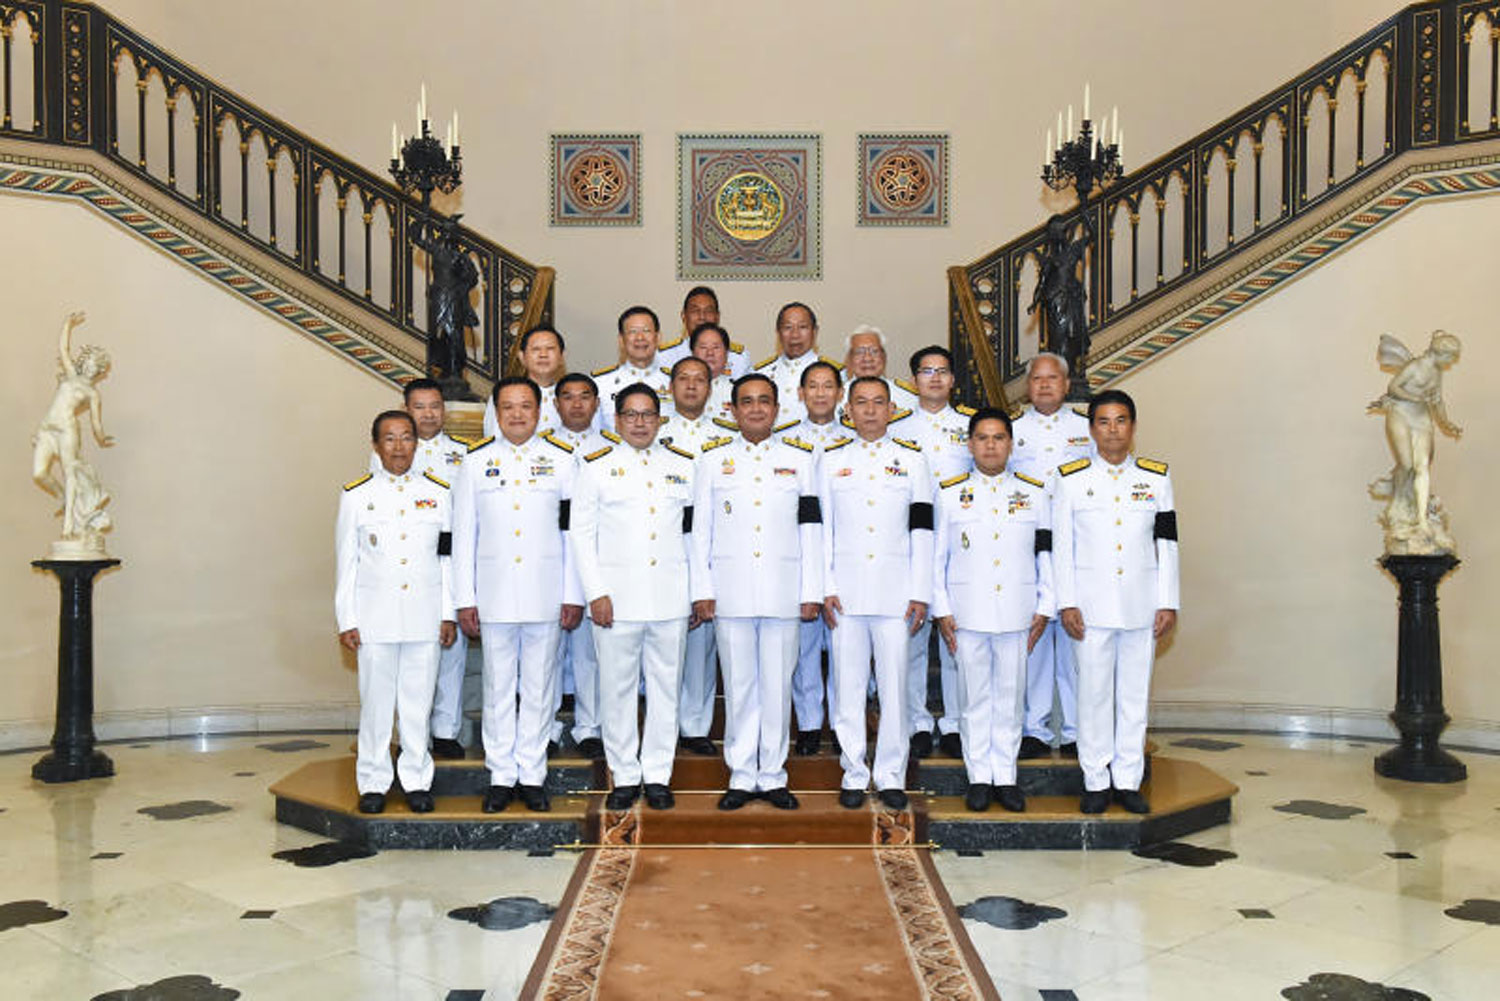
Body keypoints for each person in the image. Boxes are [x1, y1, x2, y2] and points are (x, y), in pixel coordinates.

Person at [691, 374, 823, 810]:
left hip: (785, 592)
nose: (756, 408)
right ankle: (742, 775)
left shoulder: (801, 461)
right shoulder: (712, 462)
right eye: (746, 401)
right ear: (731, 409)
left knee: (777, 687)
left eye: (764, 401)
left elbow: (812, 530)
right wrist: (702, 589)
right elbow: (701, 532)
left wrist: (811, 590)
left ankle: (774, 775)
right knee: (742, 685)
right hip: (730, 593)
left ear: (778, 408)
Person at [453, 378, 581, 813]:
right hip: (494, 597)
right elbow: (463, 537)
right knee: (498, 687)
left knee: (540, 687)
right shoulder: (475, 463)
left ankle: (532, 774)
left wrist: (573, 593)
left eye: (526, 406)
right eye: (508, 407)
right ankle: (501, 775)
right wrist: (464, 598)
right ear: (496, 412)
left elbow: (572, 535)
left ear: (541, 411)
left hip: (546, 595)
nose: (517, 414)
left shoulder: (562, 462)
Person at [569, 383, 697, 810]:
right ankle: (624, 774)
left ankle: (658, 774)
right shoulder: (595, 467)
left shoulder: (684, 466)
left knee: (666, 690)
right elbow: (582, 537)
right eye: (631, 414)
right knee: (617, 690)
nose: (640, 422)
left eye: (648, 414)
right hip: (615, 602)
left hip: (670, 599)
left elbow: (694, 537)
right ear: (618, 419)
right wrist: (596, 593)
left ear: (660, 419)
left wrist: (696, 593)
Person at [1053, 389, 1179, 814]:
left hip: (1141, 606)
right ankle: (1095, 779)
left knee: (1132, 696)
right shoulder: (1070, 479)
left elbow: (1168, 545)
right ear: (1091, 430)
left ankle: (1128, 779)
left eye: (1121, 421)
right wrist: (1066, 602)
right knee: (1092, 696)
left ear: (1133, 427)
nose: (1112, 430)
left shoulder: (1156, 478)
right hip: (1090, 609)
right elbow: (1062, 548)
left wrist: (1168, 601)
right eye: (1104, 422)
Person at [819, 377, 933, 810]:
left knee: (894, 689)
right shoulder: (828, 460)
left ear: (892, 409)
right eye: (861, 403)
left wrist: (920, 590)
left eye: (878, 403)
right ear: (847, 410)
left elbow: (923, 529)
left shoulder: (912, 461)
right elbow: (821, 529)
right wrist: (825, 586)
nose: (869, 410)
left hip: (896, 594)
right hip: (845, 595)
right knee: (846, 687)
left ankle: (890, 775)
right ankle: (853, 771)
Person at [335, 410, 456, 815]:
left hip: (424, 616)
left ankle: (417, 779)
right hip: (374, 618)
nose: (399, 446)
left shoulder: (438, 493)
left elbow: (446, 560)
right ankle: (372, 782)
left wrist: (448, 613)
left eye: (406, 438)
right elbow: (346, 563)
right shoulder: (356, 495)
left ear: (416, 444)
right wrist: (346, 619)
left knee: (418, 705)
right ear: (375, 445)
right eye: (390, 439)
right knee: (376, 705)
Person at [932, 408, 1053, 813]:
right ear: (969, 444)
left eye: (999, 438)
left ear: (1010, 444)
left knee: (1011, 696)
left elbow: (1046, 554)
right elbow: (937, 558)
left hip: (1018, 610)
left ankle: (1006, 775)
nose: (990, 445)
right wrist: (941, 607)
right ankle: (979, 776)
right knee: (974, 697)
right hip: (967, 612)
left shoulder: (1034, 492)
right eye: (982, 438)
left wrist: (1046, 603)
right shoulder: (949, 493)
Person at [370, 378, 477, 762]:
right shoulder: (390, 453)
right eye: (420, 406)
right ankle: (411, 736)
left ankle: (445, 730)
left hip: (448, 563)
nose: (429, 413)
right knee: (404, 661)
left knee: (451, 652)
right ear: (406, 408)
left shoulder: (466, 453)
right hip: (404, 570)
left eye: (435, 406)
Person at [1010, 352, 1093, 760]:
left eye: (1052, 378)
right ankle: (1036, 729)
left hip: (1077, 544)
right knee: (1038, 640)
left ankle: (1078, 730)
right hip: (1027, 545)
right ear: (1028, 386)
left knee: (1076, 643)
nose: (1044, 385)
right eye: (1037, 379)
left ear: (1066, 384)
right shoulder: (1011, 430)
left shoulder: (1087, 428)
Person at [900, 346, 976, 761]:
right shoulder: (896, 427)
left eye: (942, 371)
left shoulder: (969, 426)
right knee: (911, 639)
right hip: (908, 541)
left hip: (959, 541)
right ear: (913, 379)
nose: (934, 378)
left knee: (953, 637)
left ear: (952, 380)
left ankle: (954, 724)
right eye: (926, 371)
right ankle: (914, 721)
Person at [657, 356, 727, 756]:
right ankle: (663, 722)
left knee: (701, 646)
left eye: (700, 380)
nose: (691, 386)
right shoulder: (656, 433)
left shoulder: (725, 436)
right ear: (670, 387)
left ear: (711, 387)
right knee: (666, 641)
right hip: (667, 545)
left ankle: (696, 725)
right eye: (683, 379)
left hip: (713, 545)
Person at [543, 373, 609, 759]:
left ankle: (590, 726)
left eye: (585, 397)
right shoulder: (543, 450)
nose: (577, 404)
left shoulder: (612, 448)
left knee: (590, 652)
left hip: (594, 561)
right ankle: (547, 728)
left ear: (597, 404)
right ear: (556, 405)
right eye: (568, 397)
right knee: (548, 653)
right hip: (551, 561)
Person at [786, 360, 848, 755]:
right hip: (800, 554)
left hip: (847, 558)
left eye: (829, 386)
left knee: (845, 653)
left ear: (841, 394)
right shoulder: (784, 442)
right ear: (800, 394)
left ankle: (844, 726)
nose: (821, 393)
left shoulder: (858, 441)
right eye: (813, 386)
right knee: (805, 648)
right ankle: (809, 723)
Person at [32, 311, 115, 551]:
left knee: (70, 475)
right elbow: (64, 351)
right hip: (47, 429)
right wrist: (68, 325)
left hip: (68, 431)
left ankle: (68, 526)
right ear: (85, 361)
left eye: (97, 367)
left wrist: (101, 437)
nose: (92, 368)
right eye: (90, 363)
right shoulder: (70, 375)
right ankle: (61, 497)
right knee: (39, 473)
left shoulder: (92, 393)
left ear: (99, 372)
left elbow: (96, 424)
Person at [484, 325, 594, 438]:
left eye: (550, 349)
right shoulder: (504, 395)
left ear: (561, 356)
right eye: (536, 349)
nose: (543, 355)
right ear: (522, 357)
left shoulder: (573, 397)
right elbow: (495, 441)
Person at [754, 302, 842, 425]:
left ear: (815, 331)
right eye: (788, 327)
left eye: (803, 327)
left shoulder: (837, 373)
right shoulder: (760, 373)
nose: (795, 335)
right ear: (778, 332)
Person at [594, 306, 672, 430]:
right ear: (621, 340)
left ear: (658, 337)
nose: (640, 338)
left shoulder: (675, 382)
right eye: (632, 331)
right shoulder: (600, 384)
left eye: (646, 331)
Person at [659, 286, 750, 378]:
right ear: (683, 316)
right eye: (695, 311)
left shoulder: (738, 357)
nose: (702, 317)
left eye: (708, 311)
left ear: (717, 317)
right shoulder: (664, 356)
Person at [839, 325, 917, 418]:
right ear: (849, 359)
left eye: (874, 351)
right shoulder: (835, 398)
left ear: (884, 357)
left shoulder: (907, 396)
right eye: (859, 352)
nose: (867, 358)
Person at [691, 322, 738, 423]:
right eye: (703, 347)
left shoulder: (738, 391)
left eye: (716, 347)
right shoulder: (679, 389)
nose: (710, 353)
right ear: (692, 352)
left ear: (727, 353)